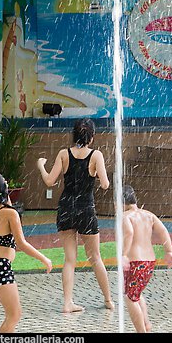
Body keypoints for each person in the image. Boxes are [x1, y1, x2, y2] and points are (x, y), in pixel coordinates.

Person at [37, 118, 114, 313]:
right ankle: (108, 300)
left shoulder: (64, 154)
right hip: (85, 209)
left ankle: (67, 303)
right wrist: (97, 174)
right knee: (95, 257)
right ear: (92, 136)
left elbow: (49, 181)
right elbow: (105, 184)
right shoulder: (96, 155)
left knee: (70, 259)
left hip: (66, 209)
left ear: (74, 135)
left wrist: (40, 165)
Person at [0, 170, 52, 333]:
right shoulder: (10, 214)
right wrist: (44, 258)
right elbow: (21, 244)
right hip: (0, 267)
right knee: (14, 315)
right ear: (1, 188)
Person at [121, 185, 172, 332]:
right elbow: (163, 231)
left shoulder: (125, 216)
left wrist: (124, 254)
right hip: (149, 262)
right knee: (136, 294)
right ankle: (146, 324)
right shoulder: (148, 215)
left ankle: (141, 331)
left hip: (135, 262)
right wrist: (169, 251)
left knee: (130, 298)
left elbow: (129, 233)